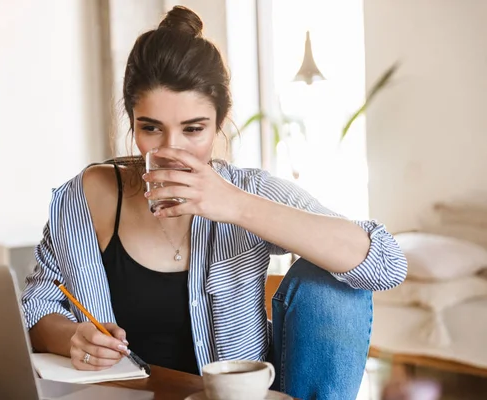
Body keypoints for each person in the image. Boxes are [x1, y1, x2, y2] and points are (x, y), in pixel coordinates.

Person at [21, 6, 407, 399]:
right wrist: (73, 337)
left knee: (331, 284)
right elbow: (36, 307)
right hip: (131, 394)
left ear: (220, 122)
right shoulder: (87, 197)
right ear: (131, 120)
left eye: (193, 129)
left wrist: (235, 206)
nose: (171, 150)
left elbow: (386, 263)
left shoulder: (245, 189)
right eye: (150, 128)